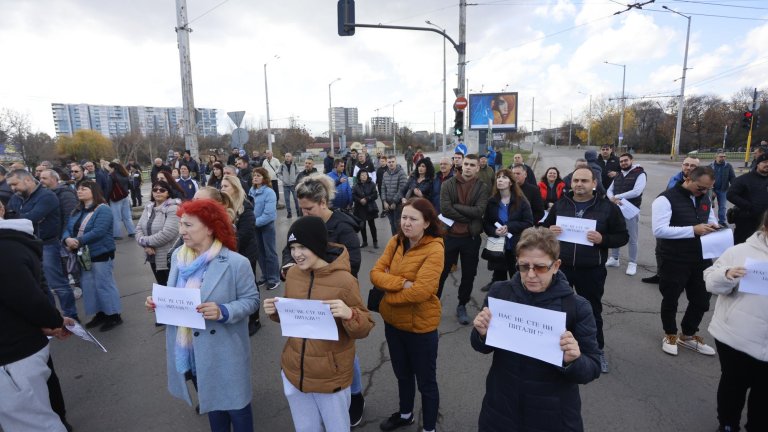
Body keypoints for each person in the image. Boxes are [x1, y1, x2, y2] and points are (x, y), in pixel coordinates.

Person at [470, 227, 601, 432]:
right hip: (501, 408)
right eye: (523, 267)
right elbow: (482, 347)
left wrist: (573, 360)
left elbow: (592, 367)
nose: (530, 275)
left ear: (556, 265)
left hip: (552, 415)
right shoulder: (500, 293)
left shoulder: (577, 307)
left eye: (540, 267)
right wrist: (481, 333)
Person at [145, 199, 259, 432]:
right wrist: (158, 303)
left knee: (237, 409)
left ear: (209, 227)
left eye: (188, 225)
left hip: (224, 349)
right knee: (212, 407)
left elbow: (252, 300)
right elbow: (175, 294)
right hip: (192, 349)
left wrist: (223, 311)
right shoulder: (178, 256)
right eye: (181, 224)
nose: (181, 231)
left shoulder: (236, 263)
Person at [264, 216, 374, 432]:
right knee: (305, 428)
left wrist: (349, 314)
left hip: (329, 375)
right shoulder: (293, 274)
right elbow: (293, 317)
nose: (296, 254)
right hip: (294, 370)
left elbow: (365, 325)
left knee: (337, 428)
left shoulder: (345, 281)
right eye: (292, 247)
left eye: (303, 246)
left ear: (317, 244)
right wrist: (276, 313)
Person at [284, 173, 365, 425]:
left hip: (333, 295)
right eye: (302, 210)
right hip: (306, 294)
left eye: (309, 209)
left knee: (341, 352)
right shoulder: (304, 227)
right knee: (313, 346)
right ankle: (310, 388)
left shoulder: (342, 226)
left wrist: (321, 270)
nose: (305, 214)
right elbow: (289, 252)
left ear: (322, 203)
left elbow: (353, 261)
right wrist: (290, 267)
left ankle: (354, 394)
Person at [542, 167, 628, 373]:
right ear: (571, 183)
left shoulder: (608, 208)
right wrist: (548, 231)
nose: (579, 184)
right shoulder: (561, 205)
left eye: (584, 181)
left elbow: (622, 236)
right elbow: (544, 227)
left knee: (591, 311)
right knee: (556, 308)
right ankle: (552, 349)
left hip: (591, 269)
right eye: (576, 180)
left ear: (594, 184)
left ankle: (596, 351)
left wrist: (603, 239)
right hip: (560, 268)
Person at [370, 198, 444, 432]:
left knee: (426, 383)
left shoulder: (435, 249)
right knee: (402, 374)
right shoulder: (396, 240)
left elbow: (422, 291)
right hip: (393, 324)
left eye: (413, 219)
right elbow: (375, 274)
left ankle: (429, 428)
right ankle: (405, 414)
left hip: (420, 328)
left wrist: (386, 298)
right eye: (404, 217)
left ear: (427, 223)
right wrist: (403, 283)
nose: (406, 223)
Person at [0, 214, 75, 432]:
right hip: (18, 350)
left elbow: (28, 297)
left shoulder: (6, 249)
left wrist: (54, 321)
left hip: (14, 356)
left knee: (32, 423)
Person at [704, 211, 768, 432]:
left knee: (764, 395)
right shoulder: (740, 252)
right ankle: (728, 424)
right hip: (736, 338)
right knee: (733, 386)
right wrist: (727, 274)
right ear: (766, 228)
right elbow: (711, 281)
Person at [652, 166, 719, 357]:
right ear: (688, 178)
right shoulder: (665, 199)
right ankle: (670, 334)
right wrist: (692, 230)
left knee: (701, 299)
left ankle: (688, 335)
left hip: (701, 257)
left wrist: (713, 226)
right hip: (674, 258)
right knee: (671, 298)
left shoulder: (704, 197)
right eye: (701, 188)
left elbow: (710, 217)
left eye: (708, 188)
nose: (704, 192)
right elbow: (659, 230)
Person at [6, 169, 78, 322]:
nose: (12, 188)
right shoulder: (17, 197)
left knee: (58, 283)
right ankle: (51, 318)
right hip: (25, 245)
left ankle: (71, 316)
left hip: (47, 244)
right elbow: (9, 217)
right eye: (10, 185)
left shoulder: (47, 196)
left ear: (27, 180)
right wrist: (22, 217)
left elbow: (30, 218)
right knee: (39, 286)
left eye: (15, 184)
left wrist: (20, 217)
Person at [62, 180, 123, 331]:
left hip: (100, 252)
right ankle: (100, 313)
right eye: (78, 189)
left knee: (104, 284)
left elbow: (99, 231)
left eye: (84, 189)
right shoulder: (77, 210)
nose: (79, 191)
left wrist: (78, 241)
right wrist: (66, 239)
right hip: (83, 254)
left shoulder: (103, 209)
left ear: (93, 191)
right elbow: (67, 228)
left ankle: (114, 315)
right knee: (89, 285)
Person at [437, 154, 491, 325]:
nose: (467, 167)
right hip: (450, 236)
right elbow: (445, 209)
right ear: (461, 165)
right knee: (441, 272)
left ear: (477, 168)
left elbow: (480, 211)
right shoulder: (448, 184)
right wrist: (469, 214)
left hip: (471, 238)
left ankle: (462, 305)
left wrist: (458, 208)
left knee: (469, 275)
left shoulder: (482, 187)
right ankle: (433, 303)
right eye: (466, 164)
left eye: (471, 165)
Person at [642, 156, 701, 285]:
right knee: (661, 250)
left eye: (693, 166)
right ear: (682, 165)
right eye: (686, 164)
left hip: (687, 223)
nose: (688, 168)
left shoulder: (701, 183)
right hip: (667, 222)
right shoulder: (675, 178)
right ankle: (661, 274)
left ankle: (685, 278)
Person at [220, 176, 261, 335]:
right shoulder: (223, 206)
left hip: (245, 254)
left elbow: (244, 235)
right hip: (228, 253)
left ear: (236, 189)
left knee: (249, 286)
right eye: (221, 186)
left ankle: (255, 319)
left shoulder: (246, 207)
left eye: (225, 186)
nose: (222, 189)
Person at [483, 169, 534, 283]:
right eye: (498, 177)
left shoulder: (521, 201)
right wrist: (494, 231)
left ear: (511, 182)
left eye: (504, 177)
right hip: (497, 248)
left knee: (517, 280)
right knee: (499, 280)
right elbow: (486, 223)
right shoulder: (492, 201)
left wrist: (509, 226)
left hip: (515, 247)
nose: (500, 180)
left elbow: (529, 222)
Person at [605, 153, 647, 276]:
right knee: (615, 234)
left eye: (626, 161)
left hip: (630, 210)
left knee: (632, 238)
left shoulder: (640, 174)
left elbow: (637, 191)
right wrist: (612, 198)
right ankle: (614, 258)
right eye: (621, 161)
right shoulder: (618, 175)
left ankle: (632, 263)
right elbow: (609, 190)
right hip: (616, 209)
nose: (623, 163)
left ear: (631, 160)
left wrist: (617, 197)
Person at [135, 180, 180, 286]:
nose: (158, 192)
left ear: (168, 193)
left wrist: (146, 242)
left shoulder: (173, 208)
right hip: (152, 256)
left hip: (168, 258)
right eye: (155, 189)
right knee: (161, 287)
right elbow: (138, 229)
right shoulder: (148, 208)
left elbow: (167, 233)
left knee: (173, 290)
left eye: (162, 190)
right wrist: (145, 245)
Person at [249, 167, 280, 291]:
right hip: (255, 226)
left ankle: (273, 278)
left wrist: (254, 223)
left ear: (264, 178)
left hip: (266, 226)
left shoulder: (269, 192)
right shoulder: (251, 191)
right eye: (254, 175)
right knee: (259, 253)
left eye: (258, 175)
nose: (255, 177)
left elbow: (269, 214)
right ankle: (265, 275)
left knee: (270, 253)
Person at [727, 153, 768, 245]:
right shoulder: (744, 179)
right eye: (764, 162)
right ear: (757, 164)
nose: (767, 164)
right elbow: (731, 195)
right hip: (746, 221)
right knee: (742, 246)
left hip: (765, 222)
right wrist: (748, 206)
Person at [106, 162, 136, 240]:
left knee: (116, 217)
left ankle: (117, 234)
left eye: (109, 168)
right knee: (127, 216)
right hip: (125, 196)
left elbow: (109, 189)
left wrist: (106, 199)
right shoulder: (125, 174)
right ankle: (132, 232)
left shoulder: (111, 176)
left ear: (112, 168)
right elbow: (130, 186)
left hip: (115, 198)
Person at [381, 155, 408, 235]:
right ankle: (394, 243)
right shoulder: (385, 174)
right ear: (387, 163)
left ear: (396, 162)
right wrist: (384, 201)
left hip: (398, 204)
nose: (391, 163)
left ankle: (401, 244)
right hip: (388, 204)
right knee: (392, 224)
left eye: (393, 162)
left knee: (398, 225)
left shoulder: (401, 173)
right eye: (389, 162)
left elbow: (402, 189)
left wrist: (394, 202)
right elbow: (383, 188)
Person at [353, 170, 379, 248]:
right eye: (362, 175)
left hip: (370, 207)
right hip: (360, 208)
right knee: (362, 226)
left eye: (365, 174)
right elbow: (353, 196)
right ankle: (365, 242)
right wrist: (359, 200)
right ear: (359, 177)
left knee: (372, 225)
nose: (364, 176)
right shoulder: (356, 185)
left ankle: (375, 241)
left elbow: (375, 195)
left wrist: (367, 199)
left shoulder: (372, 184)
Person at [709, 150, 736, 226]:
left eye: (724, 156)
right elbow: (707, 179)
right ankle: (708, 221)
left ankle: (722, 222)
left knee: (723, 207)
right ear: (716, 157)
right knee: (708, 205)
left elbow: (732, 178)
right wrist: (711, 190)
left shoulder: (728, 166)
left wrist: (734, 188)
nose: (723, 158)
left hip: (723, 190)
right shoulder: (710, 166)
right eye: (721, 156)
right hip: (711, 189)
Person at [278, 152, 299, 219]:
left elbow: (298, 172)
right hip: (285, 185)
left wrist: (295, 179)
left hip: (293, 185)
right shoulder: (282, 165)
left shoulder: (294, 164)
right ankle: (289, 213)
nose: (287, 157)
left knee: (296, 199)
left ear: (291, 157)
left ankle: (298, 212)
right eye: (286, 156)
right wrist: (283, 179)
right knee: (287, 199)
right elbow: (278, 173)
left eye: (289, 156)